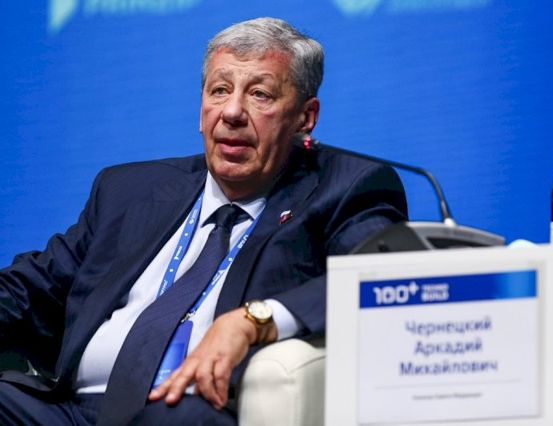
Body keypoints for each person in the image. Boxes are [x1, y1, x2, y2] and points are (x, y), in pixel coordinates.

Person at [0, 17, 407, 425]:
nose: (232, 112)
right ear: (201, 108)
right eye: (219, 90)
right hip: (71, 412)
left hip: (192, 410)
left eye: (260, 94)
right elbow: (31, 290)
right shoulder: (129, 190)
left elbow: (377, 277)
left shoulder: (343, 189)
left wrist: (254, 320)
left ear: (305, 117)